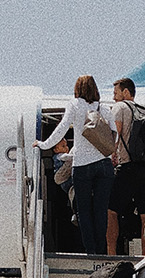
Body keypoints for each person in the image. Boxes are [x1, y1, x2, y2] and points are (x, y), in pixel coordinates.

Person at [34, 75, 121, 255]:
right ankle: (101, 251)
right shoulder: (103, 107)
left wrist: (43, 145)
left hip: (82, 165)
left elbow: (61, 128)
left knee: (84, 212)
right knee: (100, 210)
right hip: (104, 165)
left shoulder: (74, 105)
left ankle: (91, 251)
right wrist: (107, 151)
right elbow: (115, 135)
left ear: (77, 88)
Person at [106, 78, 145, 255]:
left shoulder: (120, 108)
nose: (114, 98)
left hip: (129, 168)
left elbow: (116, 134)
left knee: (112, 211)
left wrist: (111, 154)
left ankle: (110, 252)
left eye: (116, 93)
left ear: (126, 92)